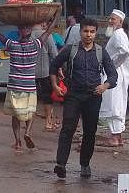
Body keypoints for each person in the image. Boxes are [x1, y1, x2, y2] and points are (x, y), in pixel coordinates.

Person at [50, 17, 118, 179]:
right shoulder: (70, 50)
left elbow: (113, 75)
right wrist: (55, 85)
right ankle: (60, 164)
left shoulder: (102, 52)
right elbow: (54, 65)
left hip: (93, 98)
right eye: (85, 31)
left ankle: (85, 164)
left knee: (90, 132)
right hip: (73, 95)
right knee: (67, 129)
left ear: (95, 33)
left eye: (92, 32)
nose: (88, 35)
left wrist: (105, 86)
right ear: (80, 32)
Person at [0, 9, 57, 152]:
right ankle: (28, 132)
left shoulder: (12, 45)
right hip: (29, 86)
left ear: (19, 30)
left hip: (14, 86)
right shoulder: (35, 45)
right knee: (30, 113)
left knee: (15, 115)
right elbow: (49, 31)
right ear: (30, 30)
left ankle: (18, 142)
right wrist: (57, 13)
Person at [98, 10, 129, 147]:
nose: (110, 21)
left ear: (120, 22)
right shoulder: (119, 34)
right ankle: (118, 136)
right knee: (118, 103)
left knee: (113, 104)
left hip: (115, 75)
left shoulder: (118, 34)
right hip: (117, 74)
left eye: (113, 19)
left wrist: (113, 65)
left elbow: (124, 51)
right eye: (110, 19)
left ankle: (114, 138)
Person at [31, 20, 59, 131]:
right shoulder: (47, 35)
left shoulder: (27, 35)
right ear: (43, 23)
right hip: (45, 72)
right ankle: (48, 122)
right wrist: (59, 70)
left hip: (29, 72)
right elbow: (54, 54)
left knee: (31, 98)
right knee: (47, 97)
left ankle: (29, 124)